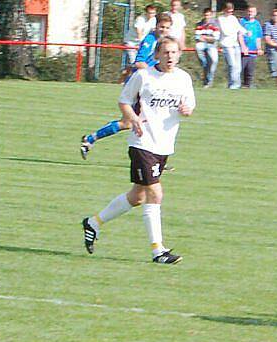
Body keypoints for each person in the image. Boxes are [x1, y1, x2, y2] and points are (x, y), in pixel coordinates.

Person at [81, 37, 195, 265]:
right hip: (142, 144)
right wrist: (133, 119)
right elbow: (124, 101)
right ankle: (158, 251)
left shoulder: (183, 78)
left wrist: (186, 109)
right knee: (155, 193)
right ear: (157, 55)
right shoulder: (144, 76)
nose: (170, 56)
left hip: (164, 145)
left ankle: (93, 223)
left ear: (179, 54)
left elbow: (189, 106)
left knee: (138, 196)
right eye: (166, 53)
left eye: (174, 52)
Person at [80, 14, 172, 159]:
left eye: (167, 28)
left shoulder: (164, 42)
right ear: (156, 26)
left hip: (149, 88)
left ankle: (91, 139)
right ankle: (90, 139)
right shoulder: (150, 40)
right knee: (129, 122)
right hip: (138, 87)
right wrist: (154, 73)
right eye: (162, 27)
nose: (164, 30)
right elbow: (139, 62)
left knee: (139, 121)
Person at [217, 2, 248, 90]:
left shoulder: (233, 18)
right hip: (227, 45)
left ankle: (236, 84)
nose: (230, 13)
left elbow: (239, 27)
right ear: (224, 10)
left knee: (238, 66)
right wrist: (235, 30)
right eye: (229, 11)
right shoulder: (220, 19)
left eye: (231, 11)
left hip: (235, 44)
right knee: (232, 65)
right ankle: (233, 84)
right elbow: (225, 32)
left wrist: (246, 32)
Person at [194, 7, 220, 88]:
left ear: (211, 15)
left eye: (208, 15)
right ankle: (204, 64)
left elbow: (215, 38)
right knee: (198, 47)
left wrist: (204, 38)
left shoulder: (215, 24)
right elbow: (197, 37)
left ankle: (209, 81)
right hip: (202, 44)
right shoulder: (199, 24)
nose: (207, 17)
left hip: (212, 45)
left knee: (214, 61)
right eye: (205, 15)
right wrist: (208, 38)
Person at [240, 4, 264, 88]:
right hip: (243, 52)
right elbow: (239, 35)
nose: (250, 13)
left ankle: (247, 87)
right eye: (249, 11)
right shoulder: (242, 21)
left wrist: (259, 48)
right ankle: (236, 86)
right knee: (239, 70)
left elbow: (258, 38)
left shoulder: (257, 24)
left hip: (252, 52)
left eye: (252, 11)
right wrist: (243, 47)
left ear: (256, 13)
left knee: (249, 72)